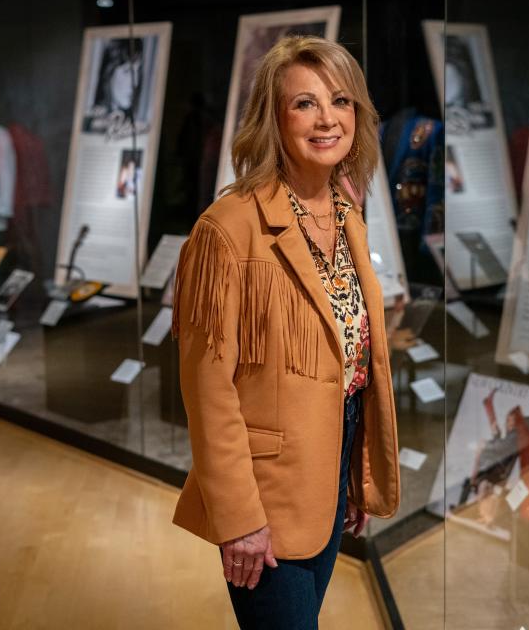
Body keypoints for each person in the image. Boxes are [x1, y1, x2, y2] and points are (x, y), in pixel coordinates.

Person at [171, 35, 401, 629]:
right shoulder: (227, 229)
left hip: (330, 463)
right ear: (272, 118)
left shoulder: (348, 217)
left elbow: (350, 368)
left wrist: (354, 470)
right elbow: (207, 388)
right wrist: (239, 516)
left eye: (341, 101)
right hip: (265, 494)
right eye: (305, 104)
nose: (328, 119)